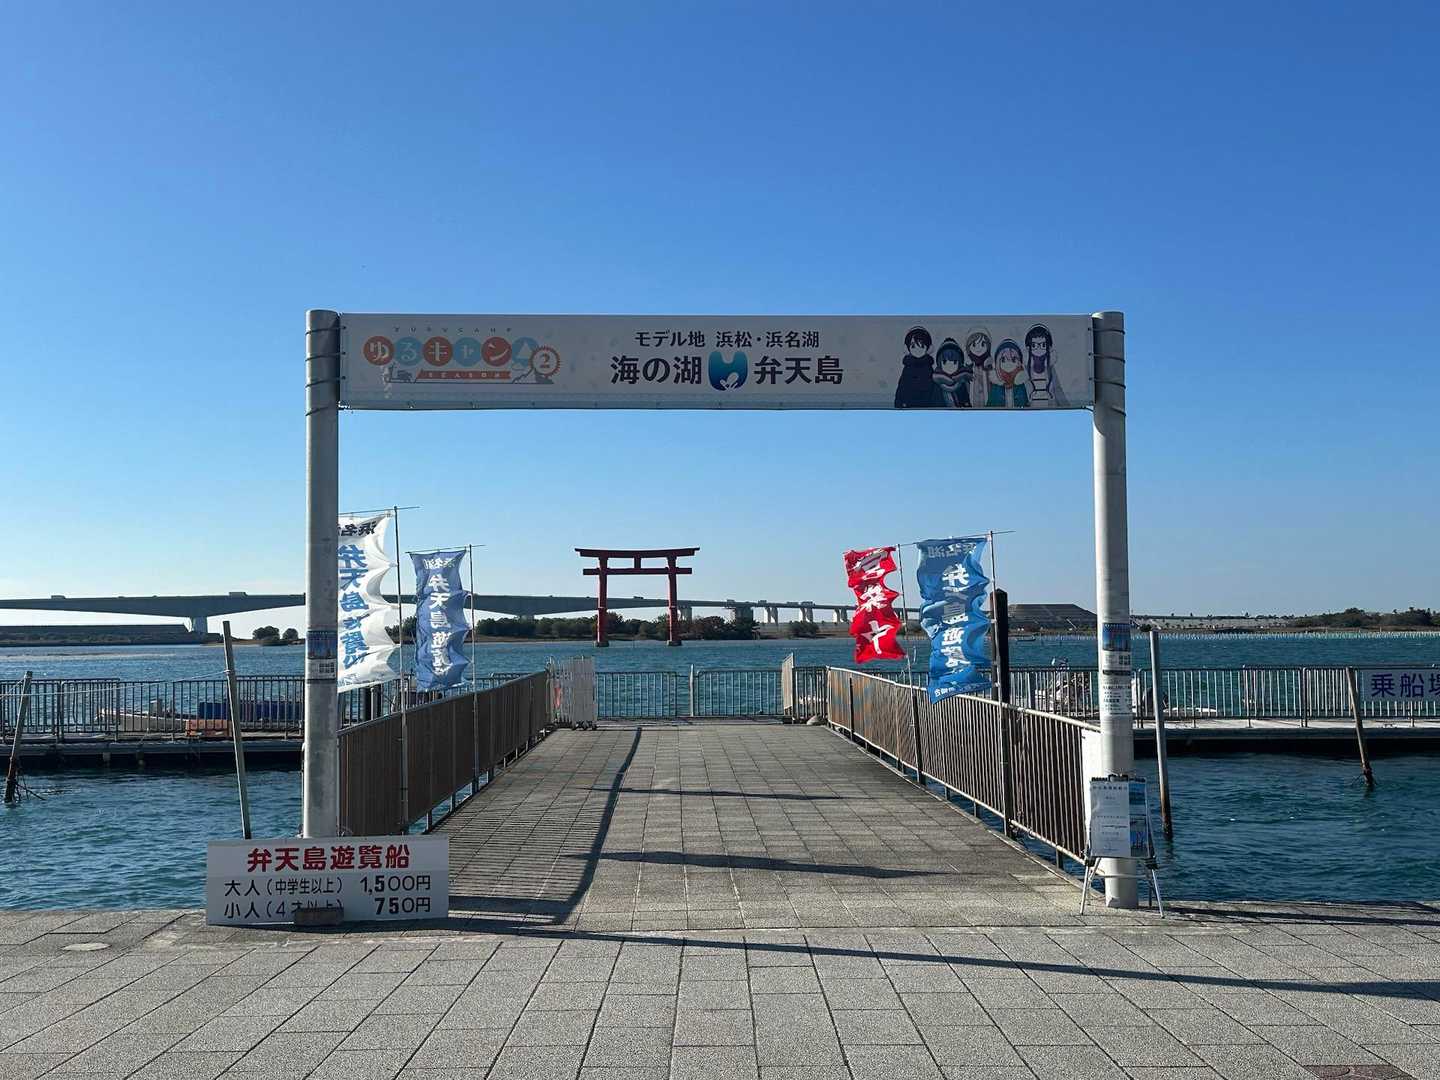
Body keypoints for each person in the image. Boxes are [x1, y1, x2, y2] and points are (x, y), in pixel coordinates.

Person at [893, 326, 940, 408]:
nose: (918, 350)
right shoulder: (907, 368)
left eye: (922, 346)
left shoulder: (928, 368)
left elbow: (933, 390)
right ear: (907, 348)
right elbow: (902, 388)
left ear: (928, 348)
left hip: (926, 408)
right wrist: (899, 405)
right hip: (908, 407)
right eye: (913, 346)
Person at [1024, 324, 1065, 406]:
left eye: (1043, 345)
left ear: (1049, 347)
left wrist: (1065, 405)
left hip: (1050, 406)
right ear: (1028, 348)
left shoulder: (1050, 368)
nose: (1039, 349)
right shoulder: (1026, 369)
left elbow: (1058, 389)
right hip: (1031, 408)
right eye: (1034, 345)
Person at [987, 338, 1029, 407]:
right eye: (1003, 360)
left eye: (1013, 360)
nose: (1008, 363)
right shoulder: (996, 386)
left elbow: (1025, 405)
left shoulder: (1020, 385)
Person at [931, 337, 972, 407]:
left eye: (954, 362)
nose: (949, 366)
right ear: (939, 363)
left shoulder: (963, 383)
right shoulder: (936, 384)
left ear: (959, 363)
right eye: (945, 362)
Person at [963, 330, 992, 407]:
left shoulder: (990, 367)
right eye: (974, 344)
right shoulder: (967, 368)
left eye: (983, 344)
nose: (978, 348)